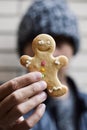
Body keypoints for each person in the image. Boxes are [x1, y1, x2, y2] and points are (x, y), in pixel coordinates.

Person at [17, 0, 87, 130]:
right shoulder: (9, 106)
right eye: (38, 44)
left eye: (59, 43)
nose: (52, 52)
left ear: (73, 49)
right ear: (24, 49)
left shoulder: (84, 103)